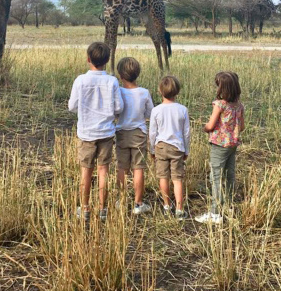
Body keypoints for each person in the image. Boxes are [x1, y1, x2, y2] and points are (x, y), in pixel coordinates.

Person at [68, 42, 124, 221]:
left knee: (86, 171)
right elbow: (119, 107)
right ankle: (102, 209)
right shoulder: (112, 81)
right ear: (107, 61)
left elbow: (72, 106)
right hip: (106, 133)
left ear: (88, 59)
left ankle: (84, 208)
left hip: (86, 134)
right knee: (103, 170)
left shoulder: (80, 80)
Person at [195, 71, 245, 224]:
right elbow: (242, 127)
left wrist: (205, 128)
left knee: (215, 177)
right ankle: (228, 206)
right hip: (232, 144)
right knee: (230, 175)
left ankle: (215, 213)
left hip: (219, 145)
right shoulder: (239, 106)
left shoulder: (220, 105)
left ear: (222, 88)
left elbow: (210, 125)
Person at [115, 57, 154, 215]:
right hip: (139, 133)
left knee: (122, 167)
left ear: (120, 75)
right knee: (138, 168)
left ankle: (121, 200)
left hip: (121, 133)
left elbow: (115, 111)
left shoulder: (118, 91)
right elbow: (150, 113)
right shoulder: (144, 93)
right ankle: (138, 203)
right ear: (137, 73)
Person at [149, 75, 190, 219]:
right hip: (177, 148)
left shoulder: (156, 110)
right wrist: (186, 150)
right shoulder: (183, 110)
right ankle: (179, 209)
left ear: (160, 91)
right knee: (177, 178)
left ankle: (166, 205)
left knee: (163, 177)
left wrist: (152, 149)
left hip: (160, 147)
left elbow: (152, 132)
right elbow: (186, 133)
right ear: (177, 91)